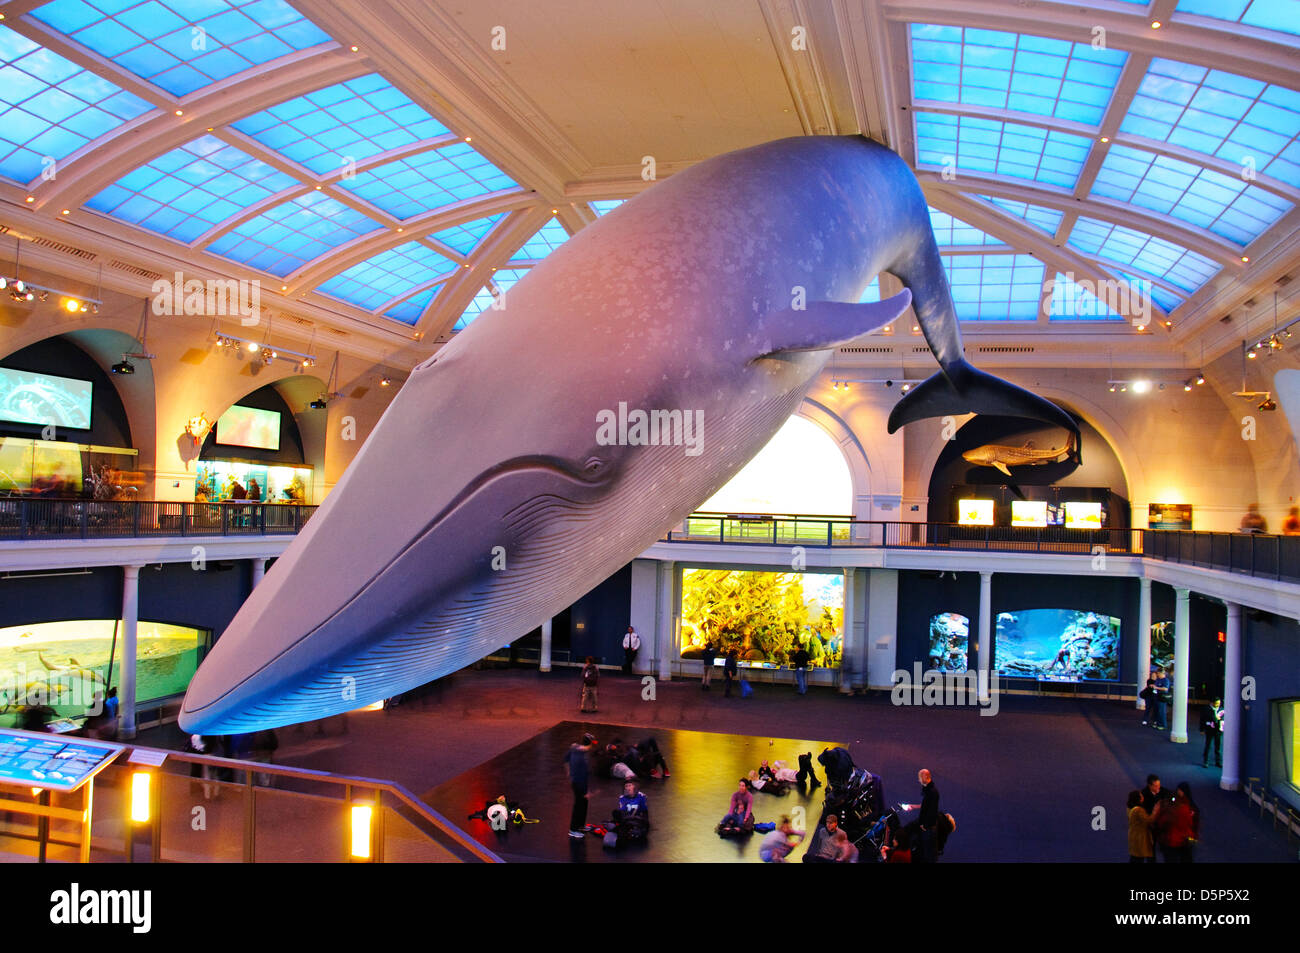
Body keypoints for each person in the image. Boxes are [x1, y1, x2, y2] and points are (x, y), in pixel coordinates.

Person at [1155, 781, 1199, 863]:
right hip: (1184, 840)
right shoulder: (1187, 808)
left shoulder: (1172, 807)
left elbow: (1161, 822)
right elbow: (1191, 823)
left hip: (1172, 841)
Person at [564, 733, 596, 838]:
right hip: (579, 784)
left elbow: (566, 759)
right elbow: (582, 775)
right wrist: (587, 792)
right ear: (590, 744)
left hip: (578, 782)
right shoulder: (581, 758)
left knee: (583, 805)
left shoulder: (575, 749)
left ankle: (580, 826)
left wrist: (568, 772)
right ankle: (573, 829)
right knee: (579, 806)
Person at [909, 768, 940, 863]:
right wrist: (913, 806)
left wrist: (925, 825)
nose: (919, 780)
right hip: (927, 827)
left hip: (928, 828)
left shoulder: (932, 792)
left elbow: (932, 811)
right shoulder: (929, 791)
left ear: (925, 777)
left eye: (920, 778)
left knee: (928, 853)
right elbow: (926, 805)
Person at [1126, 789, 1158, 863]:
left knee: (1134, 857)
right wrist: (1156, 810)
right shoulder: (1139, 810)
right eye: (1141, 796)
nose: (1143, 797)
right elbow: (1149, 820)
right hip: (1140, 838)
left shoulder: (1129, 808)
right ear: (1138, 798)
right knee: (1138, 858)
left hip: (1133, 836)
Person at [1200, 698, 1224, 767]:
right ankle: (1206, 761)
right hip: (1209, 730)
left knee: (1218, 747)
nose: (1218, 705)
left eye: (1219, 703)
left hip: (1218, 730)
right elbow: (1202, 719)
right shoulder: (1207, 709)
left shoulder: (1222, 709)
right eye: (1216, 703)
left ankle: (1218, 762)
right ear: (1212, 703)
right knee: (1208, 746)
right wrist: (1201, 729)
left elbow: (1223, 718)